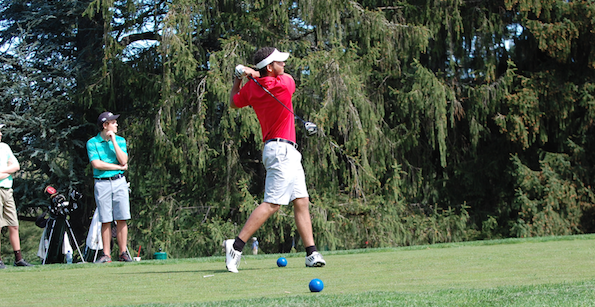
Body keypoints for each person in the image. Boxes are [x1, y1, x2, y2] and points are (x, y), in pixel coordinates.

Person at [225, 47, 326, 273]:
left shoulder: (252, 87)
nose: (284, 65)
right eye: (279, 62)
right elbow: (284, 79)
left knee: (301, 200)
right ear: (270, 67)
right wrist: (252, 73)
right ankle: (236, 246)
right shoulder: (284, 84)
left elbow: (233, 102)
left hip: (282, 150)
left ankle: (311, 252)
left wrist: (239, 78)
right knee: (272, 203)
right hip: (282, 151)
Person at [86, 112, 132, 263]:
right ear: (105, 125)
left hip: (119, 181)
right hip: (102, 182)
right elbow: (97, 164)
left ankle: (123, 252)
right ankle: (106, 254)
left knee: (122, 217)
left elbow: (124, 159)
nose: (116, 125)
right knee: (105, 219)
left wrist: (113, 140)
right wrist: (117, 167)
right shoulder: (92, 142)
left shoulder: (120, 140)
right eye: (113, 122)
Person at [0, 124, 34, 268]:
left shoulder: (5, 147)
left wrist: (2, 172)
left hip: (7, 190)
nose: (0, 134)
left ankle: (18, 259)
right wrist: (8, 171)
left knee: (13, 225)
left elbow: (16, 166)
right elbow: (11, 168)